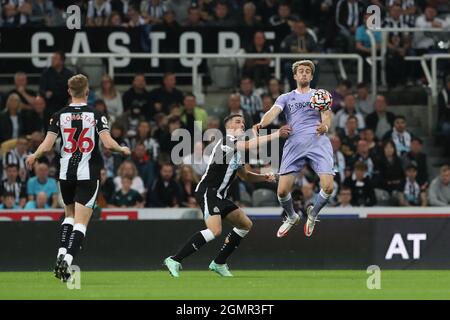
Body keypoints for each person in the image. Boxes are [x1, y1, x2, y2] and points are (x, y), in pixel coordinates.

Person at [26, 74, 130, 282]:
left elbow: (47, 146)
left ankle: (60, 255)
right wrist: (122, 149)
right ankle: (68, 259)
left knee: (69, 216)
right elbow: (108, 144)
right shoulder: (97, 115)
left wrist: (34, 155)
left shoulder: (58, 116)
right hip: (88, 173)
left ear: (68, 91)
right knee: (81, 222)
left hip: (65, 174)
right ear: (87, 92)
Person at [163, 114, 290, 277]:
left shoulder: (238, 149)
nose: (242, 125)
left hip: (220, 196)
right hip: (208, 192)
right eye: (238, 122)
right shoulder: (225, 142)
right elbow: (249, 144)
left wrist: (264, 177)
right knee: (215, 231)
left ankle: (219, 263)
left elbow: (245, 176)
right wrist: (276, 134)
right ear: (228, 127)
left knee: (245, 224)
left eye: (243, 123)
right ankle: (174, 259)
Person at [254, 60, 334, 238]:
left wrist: (325, 127)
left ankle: (313, 214)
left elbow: (326, 116)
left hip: (317, 141)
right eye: (301, 71)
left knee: (328, 187)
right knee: (282, 191)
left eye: (307, 71)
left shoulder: (319, 95)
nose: (304, 73)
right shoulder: (286, 97)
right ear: (295, 76)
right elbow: (273, 112)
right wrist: (262, 123)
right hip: (294, 143)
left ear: (312, 76)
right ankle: (291, 216)